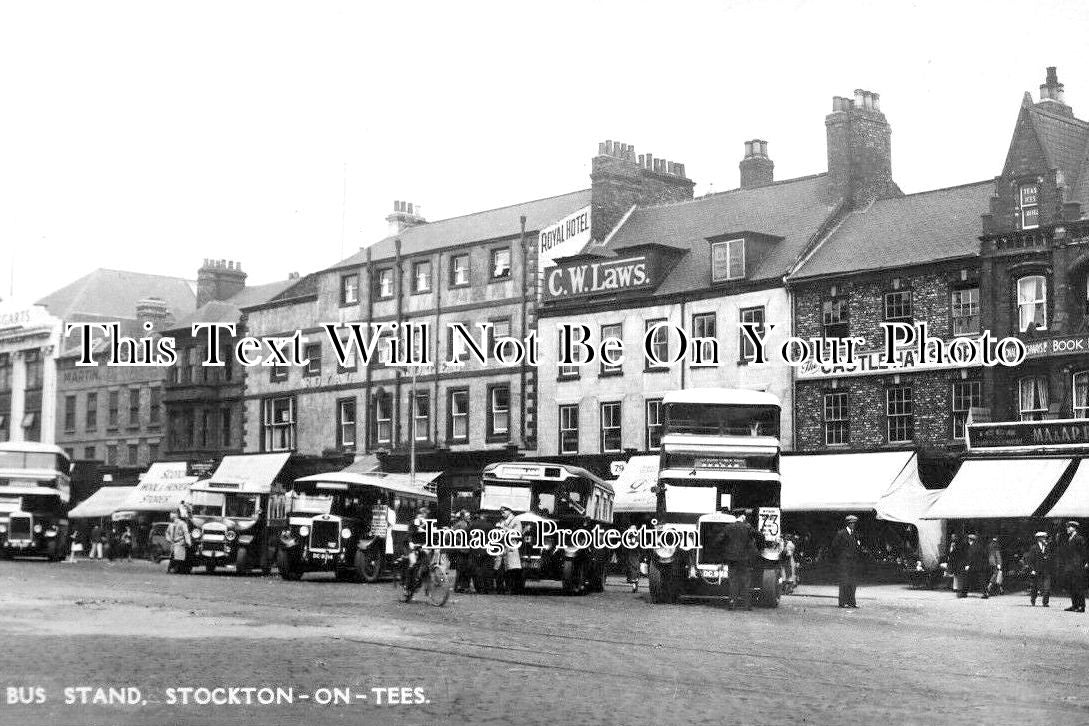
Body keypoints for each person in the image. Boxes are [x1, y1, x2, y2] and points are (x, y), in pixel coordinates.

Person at [722, 510, 756, 610]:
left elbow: (719, 540)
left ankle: (732, 603)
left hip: (732, 559)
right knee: (746, 581)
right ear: (742, 517)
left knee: (733, 581)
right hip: (745, 559)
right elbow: (759, 536)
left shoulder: (728, 527)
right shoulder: (747, 527)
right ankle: (747, 605)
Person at [830, 515, 861, 608]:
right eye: (851, 523)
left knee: (853, 582)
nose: (853, 525)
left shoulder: (856, 534)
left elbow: (857, 547)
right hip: (844, 562)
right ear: (848, 524)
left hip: (853, 562)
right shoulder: (841, 534)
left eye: (854, 523)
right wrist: (841, 557)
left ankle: (852, 602)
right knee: (844, 582)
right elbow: (834, 547)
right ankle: (842, 602)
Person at [1056, 520, 1087, 613]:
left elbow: (1083, 552)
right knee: (1071, 585)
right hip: (1070, 566)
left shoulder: (1079, 538)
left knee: (1078, 586)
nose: (1067, 529)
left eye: (1069, 527)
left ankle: (1081, 606)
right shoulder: (1070, 539)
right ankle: (1075, 605)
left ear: (1074, 528)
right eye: (1067, 527)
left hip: (1077, 565)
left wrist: (1085, 562)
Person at [494, 505, 523, 594]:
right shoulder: (502, 520)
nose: (502, 513)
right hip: (502, 547)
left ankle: (510, 589)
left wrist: (504, 529)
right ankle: (500, 589)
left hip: (510, 548)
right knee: (499, 569)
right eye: (501, 512)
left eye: (504, 511)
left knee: (511, 570)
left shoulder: (516, 520)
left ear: (510, 510)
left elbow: (518, 533)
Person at [1024, 531, 1054, 607]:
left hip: (1046, 570)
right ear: (1039, 539)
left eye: (1045, 537)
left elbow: (1051, 557)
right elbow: (1030, 560)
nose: (1045, 539)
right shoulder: (1034, 548)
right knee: (1035, 587)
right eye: (1043, 537)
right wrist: (1032, 570)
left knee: (1047, 587)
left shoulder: (1048, 547)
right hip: (1037, 570)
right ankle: (1033, 599)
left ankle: (1045, 602)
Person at [450, 509, 473, 593]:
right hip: (461, 549)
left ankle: (465, 586)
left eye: (469, 515)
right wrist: (460, 540)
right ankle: (458, 586)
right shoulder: (458, 524)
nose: (469, 517)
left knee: (467, 569)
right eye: (467, 515)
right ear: (463, 516)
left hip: (469, 549)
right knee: (460, 569)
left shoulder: (470, 524)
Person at [962, 533, 990, 599]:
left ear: (969, 540)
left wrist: (968, 565)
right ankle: (985, 593)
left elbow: (971, 557)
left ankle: (964, 593)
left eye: (968, 539)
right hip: (980, 566)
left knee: (967, 579)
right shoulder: (980, 546)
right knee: (981, 580)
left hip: (973, 566)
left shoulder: (972, 547)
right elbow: (985, 555)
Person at [623, 521, 643, 593]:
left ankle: (634, 583)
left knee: (634, 568)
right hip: (631, 554)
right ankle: (634, 583)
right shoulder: (629, 536)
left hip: (634, 554)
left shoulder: (637, 536)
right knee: (632, 568)